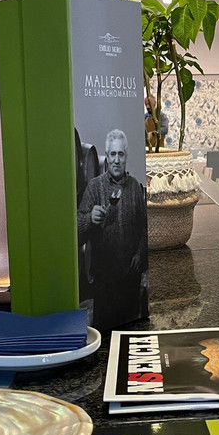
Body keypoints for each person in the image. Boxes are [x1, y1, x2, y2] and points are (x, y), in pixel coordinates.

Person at [77, 129, 148, 328]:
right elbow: (76, 230)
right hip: (104, 280)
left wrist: (140, 253)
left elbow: (144, 229)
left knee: (132, 328)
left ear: (126, 157)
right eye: (113, 154)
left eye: (121, 154)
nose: (117, 160)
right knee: (105, 331)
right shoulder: (94, 187)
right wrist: (90, 218)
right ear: (107, 157)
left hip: (130, 278)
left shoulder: (135, 188)